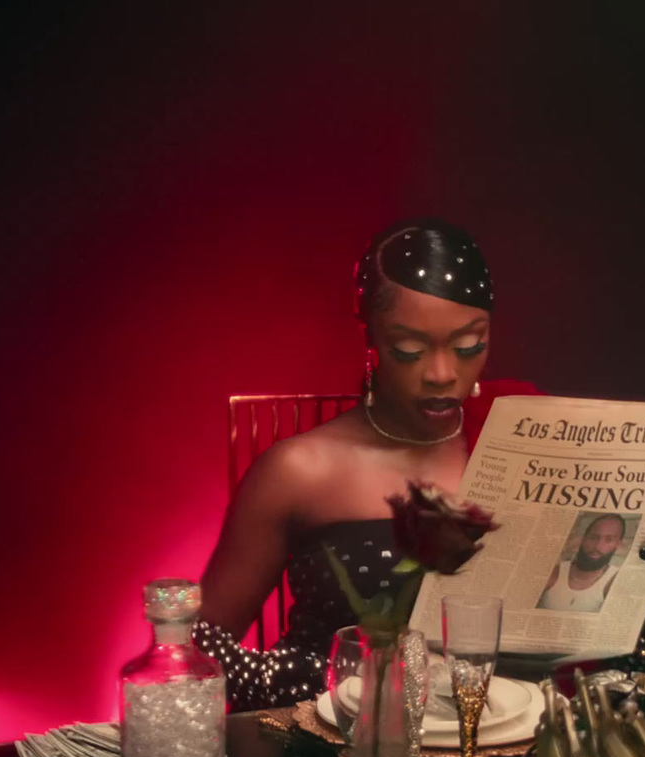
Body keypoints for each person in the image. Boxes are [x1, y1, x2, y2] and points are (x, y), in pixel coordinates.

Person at [192, 218, 505, 711]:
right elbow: (192, 656)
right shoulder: (299, 470)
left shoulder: (516, 447)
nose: (443, 374)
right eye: (410, 349)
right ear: (372, 340)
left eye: (469, 347)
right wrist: (322, 677)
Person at [536, 513, 626, 613]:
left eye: (609, 540)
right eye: (593, 537)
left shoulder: (614, 580)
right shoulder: (556, 572)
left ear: (617, 545)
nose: (597, 546)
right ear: (583, 539)